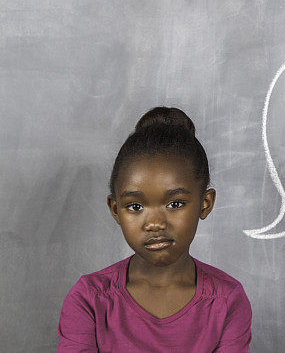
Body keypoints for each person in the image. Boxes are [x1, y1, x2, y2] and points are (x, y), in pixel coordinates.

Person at [57, 107, 252, 352]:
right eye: (135, 206)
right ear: (116, 210)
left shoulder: (227, 300)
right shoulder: (90, 298)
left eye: (175, 204)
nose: (155, 223)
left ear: (205, 204)